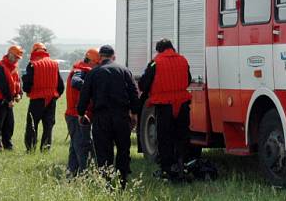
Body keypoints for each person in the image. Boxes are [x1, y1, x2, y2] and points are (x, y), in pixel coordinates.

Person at [76, 45, 140, 188]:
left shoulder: (93, 73)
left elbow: (84, 96)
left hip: (101, 118)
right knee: (123, 150)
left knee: (104, 152)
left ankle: (107, 184)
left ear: (100, 57)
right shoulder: (124, 71)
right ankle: (122, 183)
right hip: (121, 117)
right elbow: (134, 94)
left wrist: (81, 114)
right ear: (114, 56)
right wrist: (134, 114)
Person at [139, 39, 192, 180]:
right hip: (182, 105)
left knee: (164, 138)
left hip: (164, 106)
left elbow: (143, 84)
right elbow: (188, 80)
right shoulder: (183, 60)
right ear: (172, 48)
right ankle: (181, 166)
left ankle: (167, 170)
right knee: (181, 137)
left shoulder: (155, 63)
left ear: (159, 50)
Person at [22, 43, 64, 151]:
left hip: (36, 99)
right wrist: (55, 96)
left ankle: (30, 149)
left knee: (32, 125)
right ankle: (45, 150)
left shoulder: (32, 64)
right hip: (51, 100)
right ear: (45, 51)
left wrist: (28, 90)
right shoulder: (54, 64)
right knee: (48, 126)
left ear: (33, 51)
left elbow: (27, 85)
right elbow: (61, 86)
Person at [64, 48, 100, 176]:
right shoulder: (80, 71)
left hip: (75, 114)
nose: (98, 66)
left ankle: (71, 174)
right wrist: (91, 89)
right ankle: (86, 175)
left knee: (75, 148)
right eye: (97, 64)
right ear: (91, 61)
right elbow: (76, 82)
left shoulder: (82, 69)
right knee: (83, 147)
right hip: (77, 115)